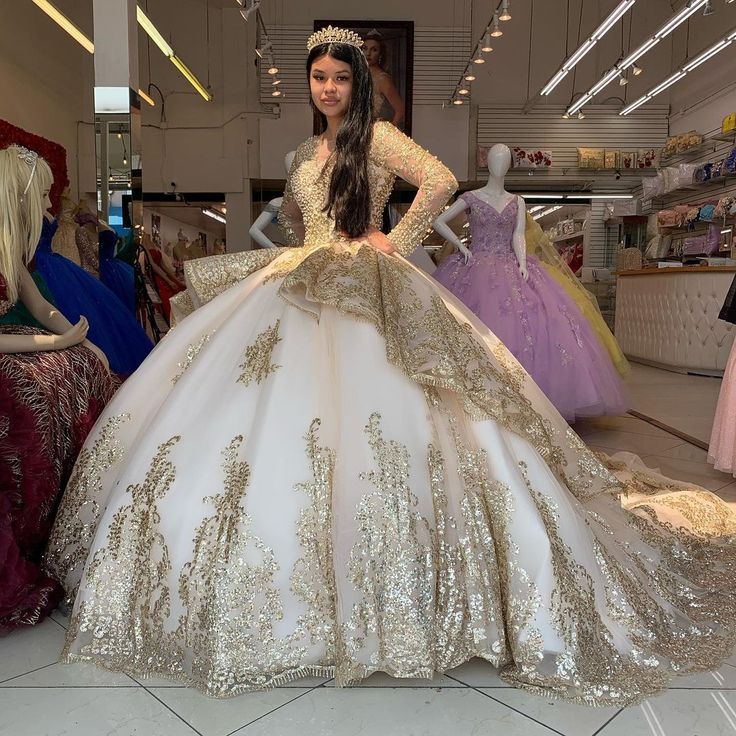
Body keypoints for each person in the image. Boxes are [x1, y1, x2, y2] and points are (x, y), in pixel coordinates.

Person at [45, 28, 736, 705]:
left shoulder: (376, 137)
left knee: (401, 412)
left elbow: (436, 180)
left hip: (365, 280)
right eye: (319, 77)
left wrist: (394, 240)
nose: (329, 88)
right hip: (296, 284)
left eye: (340, 78)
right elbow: (296, 221)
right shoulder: (304, 148)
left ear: (358, 84)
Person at [0, 145, 117, 633]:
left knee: (83, 368)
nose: (49, 207)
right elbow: (43, 326)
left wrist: (83, 340)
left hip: (21, 340)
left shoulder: (14, 256)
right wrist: (54, 340)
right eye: (42, 196)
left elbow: (43, 308)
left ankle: (73, 512)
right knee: (35, 391)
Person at [363, 31, 405, 128]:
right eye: (365, 48)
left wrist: (388, 134)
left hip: (374, 131)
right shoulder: (358, 75)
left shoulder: (382, 79)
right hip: (356, 130)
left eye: (374, 50)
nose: (368, 53)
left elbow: (400, 109)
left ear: (380, 54)